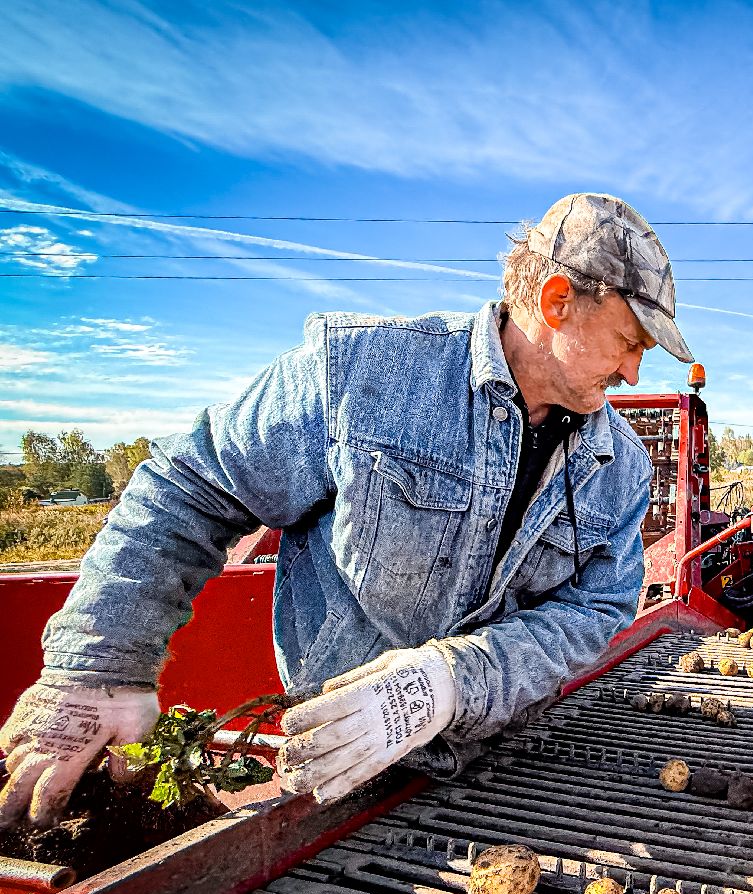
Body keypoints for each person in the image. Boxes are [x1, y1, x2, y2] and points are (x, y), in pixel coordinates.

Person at [0, 192, 691, 826]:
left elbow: (592, 612)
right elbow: (192, 488)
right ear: (557, 299)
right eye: (630, 342)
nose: (634, 373)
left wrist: (450, 683)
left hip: (506, 765)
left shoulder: (619, 467)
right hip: (333, 768)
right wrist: (98, 667)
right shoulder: (363, 375)